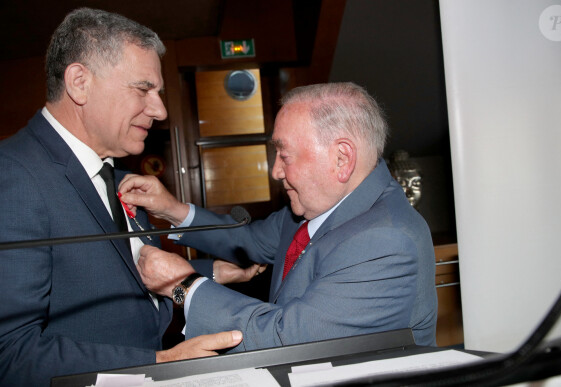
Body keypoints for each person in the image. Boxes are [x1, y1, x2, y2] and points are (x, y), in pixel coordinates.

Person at [0, 8, 241, 387]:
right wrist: (157, 363)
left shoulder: (116, 174)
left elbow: (121, 272)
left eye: (158, 93)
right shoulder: (12, 177)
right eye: (144, 89)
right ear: (79, 82)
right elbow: (11, 353)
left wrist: (209, 273)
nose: (159, 110)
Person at [120, 82, 438, 353]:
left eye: (284, 155)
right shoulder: (313, 206)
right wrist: (172, 208)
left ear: (342, 158)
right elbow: (248, 240)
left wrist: (184, 286)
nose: (276, 171)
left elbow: (290, 340)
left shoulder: (387, 241)